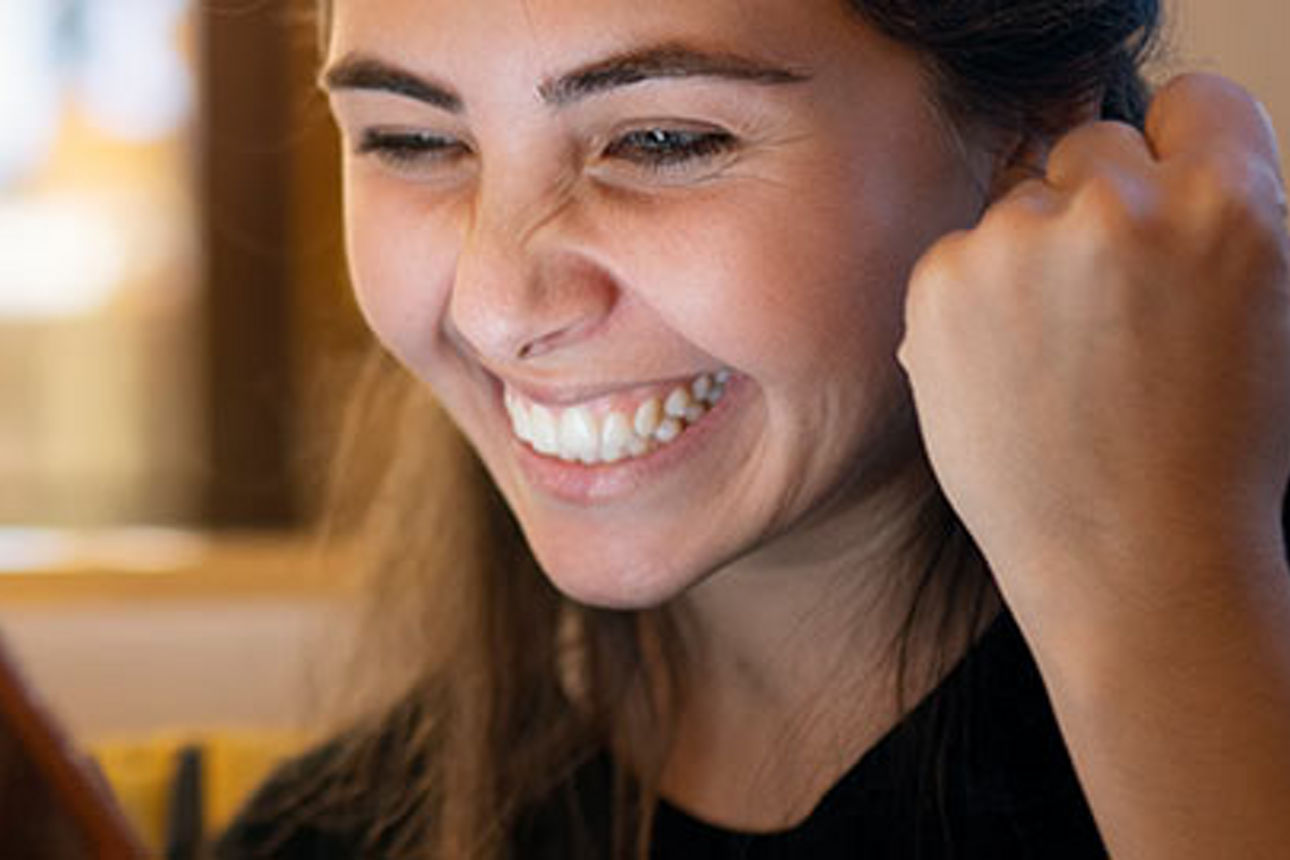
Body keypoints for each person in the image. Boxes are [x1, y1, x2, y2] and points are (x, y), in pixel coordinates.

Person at [218, 0, 1290, 856]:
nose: (497, 303)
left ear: (1031, 121)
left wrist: (1167, 601)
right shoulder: (325, 834)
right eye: (410, 140)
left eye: (661, 139)